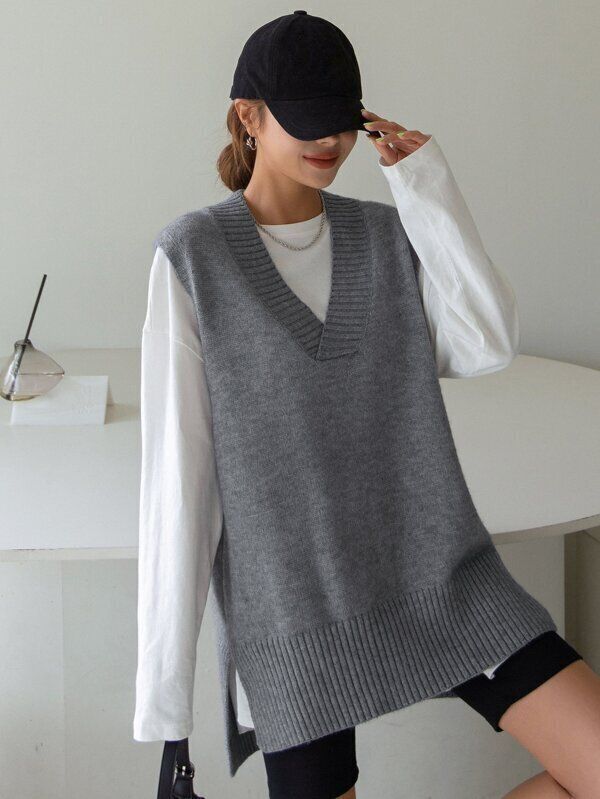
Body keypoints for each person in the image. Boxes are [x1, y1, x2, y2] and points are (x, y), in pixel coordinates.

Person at [134, 11, 600, 799]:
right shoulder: (195, 258)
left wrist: (428, 187)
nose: (331, 141)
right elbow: (179, 487)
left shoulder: (387, 237)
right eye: (306, 120)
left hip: (443, 582)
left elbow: (486, 341)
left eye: (342, 120)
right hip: (298, 621)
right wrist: (167, 713)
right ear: (248, 116)